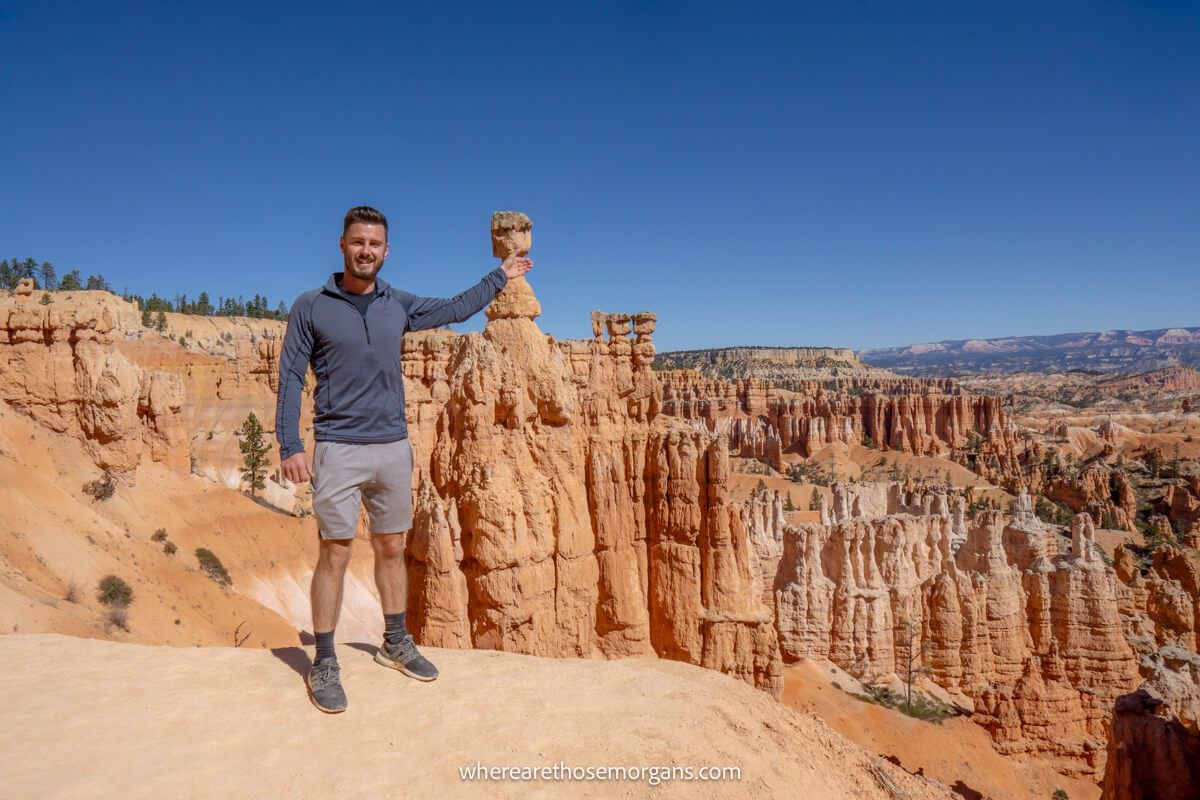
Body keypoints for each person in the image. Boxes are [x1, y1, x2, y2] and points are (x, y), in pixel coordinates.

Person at [275, 205, 532, 713]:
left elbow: (457, 309)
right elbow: (289, 377)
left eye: (374, 244)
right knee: (335, 552)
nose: (365, 251)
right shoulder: (311, 305)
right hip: (339, 447)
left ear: (386, 251)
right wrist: (290, 445)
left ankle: (395, 642)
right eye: (357, 242)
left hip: (393, 446)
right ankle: (324, 659)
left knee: (392, 546)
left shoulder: (400, 303)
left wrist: (499, 276)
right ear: (342, 245)